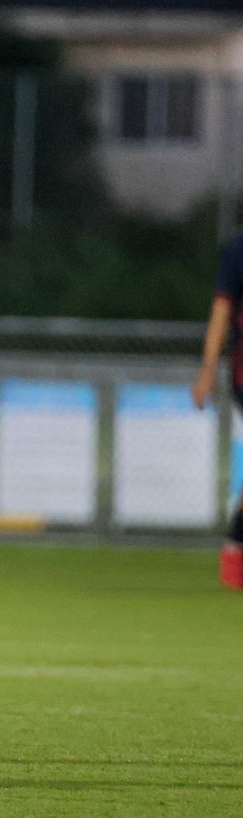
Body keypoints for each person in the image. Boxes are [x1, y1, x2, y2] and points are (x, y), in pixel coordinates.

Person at [191, 229, 243, 589]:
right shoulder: (238, 251)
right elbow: (221, 312)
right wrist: (207, 371)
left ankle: (235, 545)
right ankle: (235, 547)